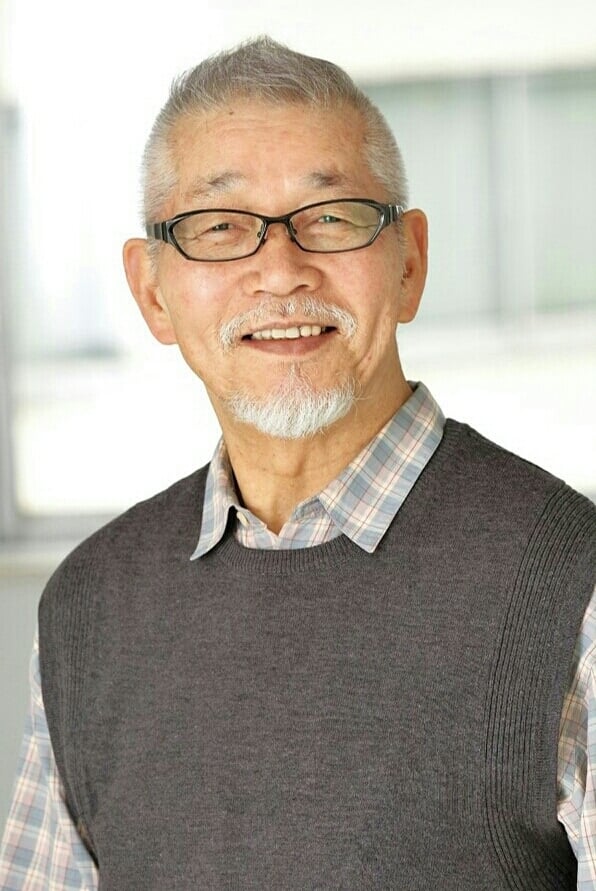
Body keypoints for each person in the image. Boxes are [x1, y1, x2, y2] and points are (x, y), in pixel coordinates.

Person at [1, 36, 595, 890]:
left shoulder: (572, 583)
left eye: (331, 217)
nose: (280, 272)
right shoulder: (89, 607)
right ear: (152, 292)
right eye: (219, 227)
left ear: (410, 262)